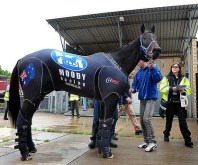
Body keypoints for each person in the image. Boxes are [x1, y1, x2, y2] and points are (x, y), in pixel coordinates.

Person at [129, 59, 162, 152]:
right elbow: (135, 85)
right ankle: (147, 141)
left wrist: (153, 69)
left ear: (143, 61)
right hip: (142, 98)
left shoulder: (152, 68)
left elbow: (158, 78)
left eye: (138, 61)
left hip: (151, 98)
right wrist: (133, 89)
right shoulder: (138, 73)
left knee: (146, 119)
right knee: (142, 120)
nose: (137, 63)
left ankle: (153, 142)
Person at [159, 62, 193, 148]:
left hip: (180, 103)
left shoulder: (184, 78)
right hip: (170, 103)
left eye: (176, 67)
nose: (174, 68)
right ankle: (166, 134)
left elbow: (188, 89)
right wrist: (172, 88)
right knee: (169, 121)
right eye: (173, 66)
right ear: (171, 68)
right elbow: (162, 89)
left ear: (179, 69)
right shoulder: (166, 78)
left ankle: (187, 140)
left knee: (182, 121)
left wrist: (183, 91)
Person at [118, 71, 142, 135]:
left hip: (127, 102)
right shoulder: (123, 79)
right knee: (116, 116)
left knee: (132, 114)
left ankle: (138, 129)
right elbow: (121, 90)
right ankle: (110, 130)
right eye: (131, 74)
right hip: (123, 101)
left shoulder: (127, 79)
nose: (132, 75)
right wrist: (126, 97)